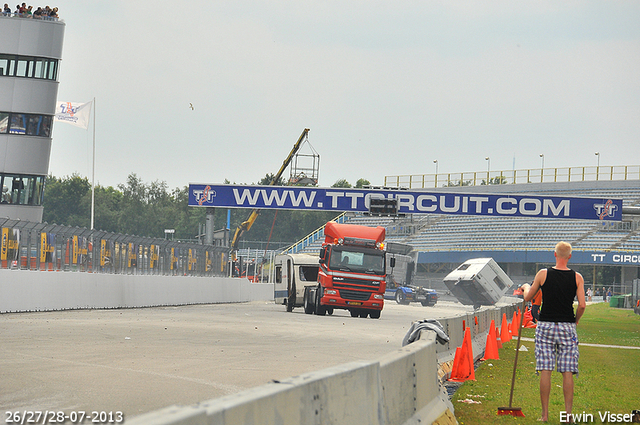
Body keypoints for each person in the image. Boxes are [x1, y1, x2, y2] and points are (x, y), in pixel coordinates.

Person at [522, 241, 586, 423]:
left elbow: (529, 296)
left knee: (545, 369)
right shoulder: (577, 277)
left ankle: (544, 415)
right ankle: (567, 416)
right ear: (570, 257)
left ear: (555, 255)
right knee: (567, 371)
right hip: (567, 325)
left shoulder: (543, 274)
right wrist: (576, 320)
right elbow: (581, 305)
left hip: (545, 326)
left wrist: (526, 286)